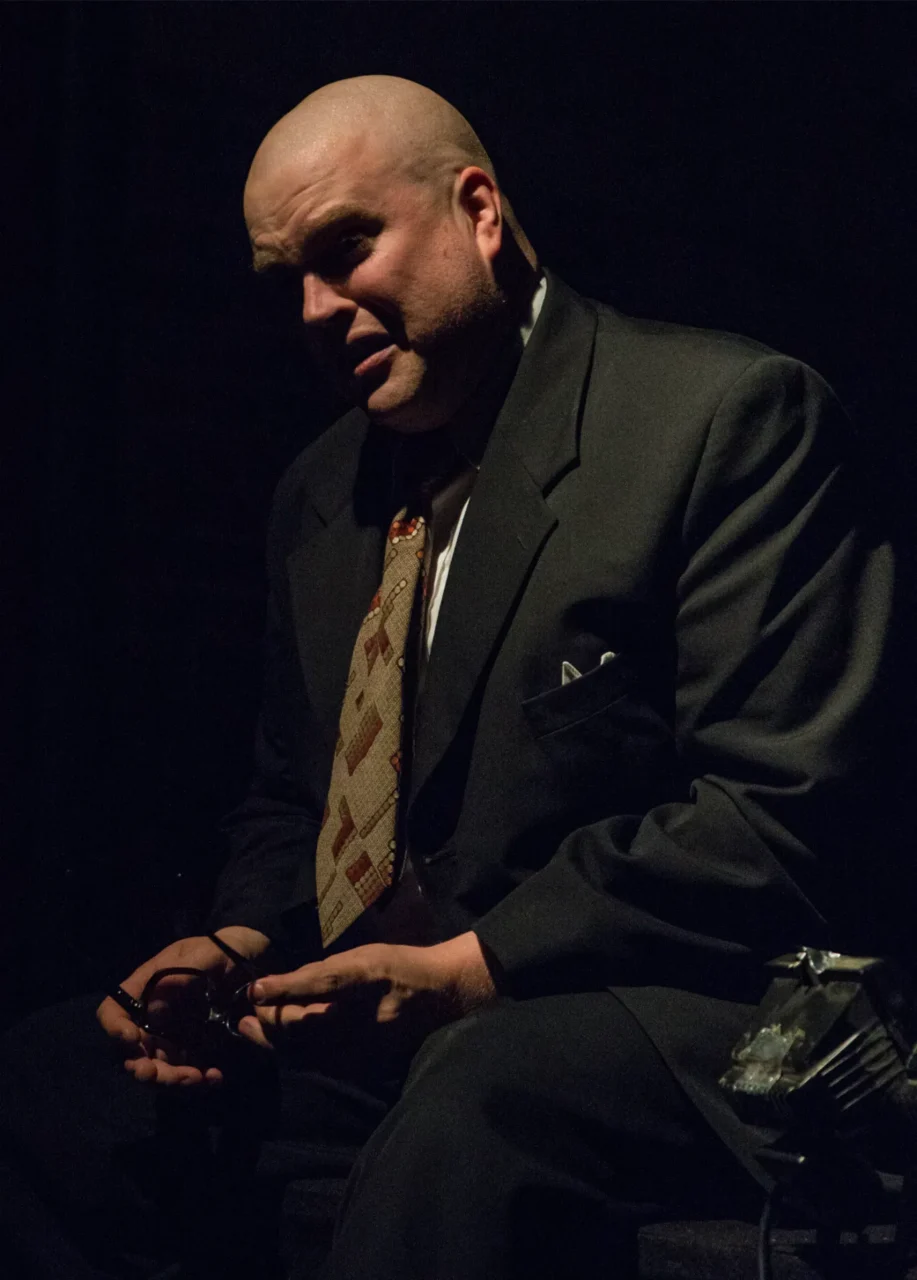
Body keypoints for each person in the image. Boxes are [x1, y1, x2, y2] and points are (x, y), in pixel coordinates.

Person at [1, 75, 895, 1280]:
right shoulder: (322, 491)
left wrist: (466, 975)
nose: (316, 309)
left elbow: (777, 814)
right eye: (287, 282)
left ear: (477, 210)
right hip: (403, 1016)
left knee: (472, 1093)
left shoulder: (719, 418)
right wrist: (234, 943)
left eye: (344, 249)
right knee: (51, 1082)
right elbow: (293, 795)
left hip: (680, 1005)